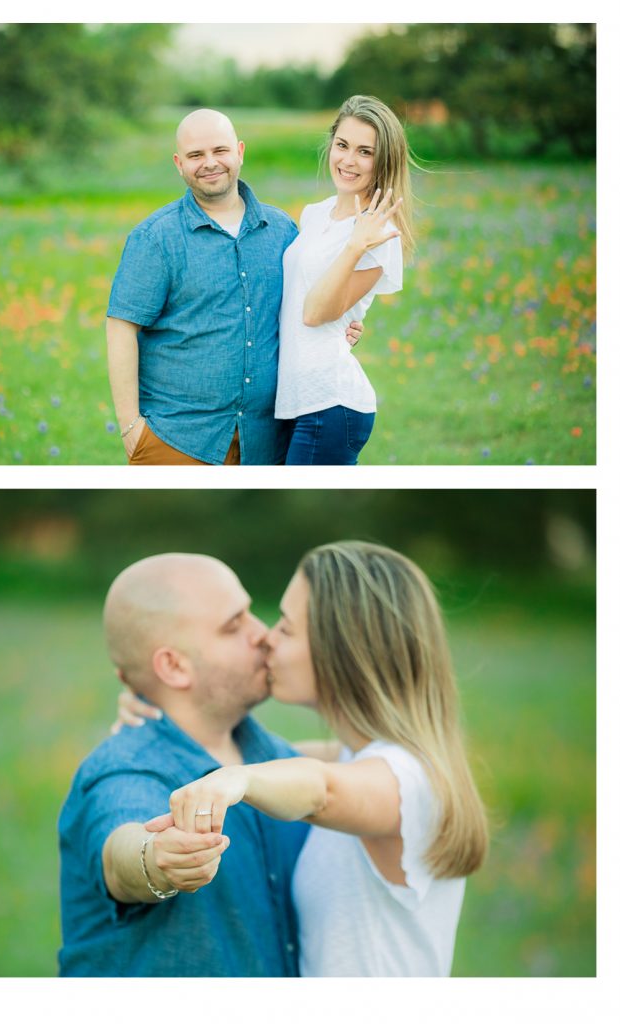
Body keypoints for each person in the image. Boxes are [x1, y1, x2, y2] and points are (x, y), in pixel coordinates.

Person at [121, 542, 489, 976]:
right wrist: (160, 704)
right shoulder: (358, 759)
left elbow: (320, 789)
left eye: (288, 629)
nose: (267, 638)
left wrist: (236, 779)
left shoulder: (410, 780)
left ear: (345, 650)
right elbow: (279, 760)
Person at [57, 553, 308, 976]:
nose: (263, 635)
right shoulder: (124, 768)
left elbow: (366, 765)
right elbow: (122, 850)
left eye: (250, 613)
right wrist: (158, 860)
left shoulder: (271, 755)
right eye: (235, 625)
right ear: (173, 666)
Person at [106, 108, 363, 466]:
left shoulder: (282, 231)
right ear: (179, 164)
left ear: (240, 152)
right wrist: (131, 427)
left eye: (220, 150)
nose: (209, 163)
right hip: (177, 440)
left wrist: (337, 328)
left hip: (268, 442)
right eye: (196, 155)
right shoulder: (156, 238)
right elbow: (121, 326)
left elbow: (306, 308)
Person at [276, 95, 414, 465]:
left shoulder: (380, 234)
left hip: (331, 403)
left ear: (383, 162)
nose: (349, 161)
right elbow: (300, 295)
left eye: (365, 152)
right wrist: (348, 326)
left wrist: (354, 245)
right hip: (294, 398)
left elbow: (315, 312)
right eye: (342, 145)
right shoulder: (315, 214)